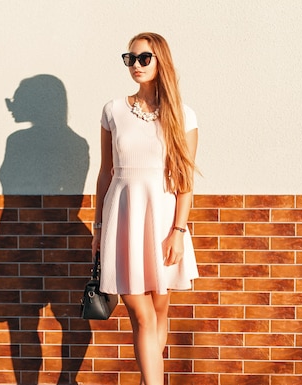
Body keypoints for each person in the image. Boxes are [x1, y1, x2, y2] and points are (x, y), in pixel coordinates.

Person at [91, 32, 199, 385]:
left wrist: (178, 232)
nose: (134, 65)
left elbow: (185, 180)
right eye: (129, 58)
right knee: (140, 313)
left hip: (164, 220)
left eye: (143, 58)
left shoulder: (182, 115)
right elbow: (105, 173)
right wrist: (98, 228)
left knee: (159, 310)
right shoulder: (113, 110)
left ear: (160, 61)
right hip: (123, 218)